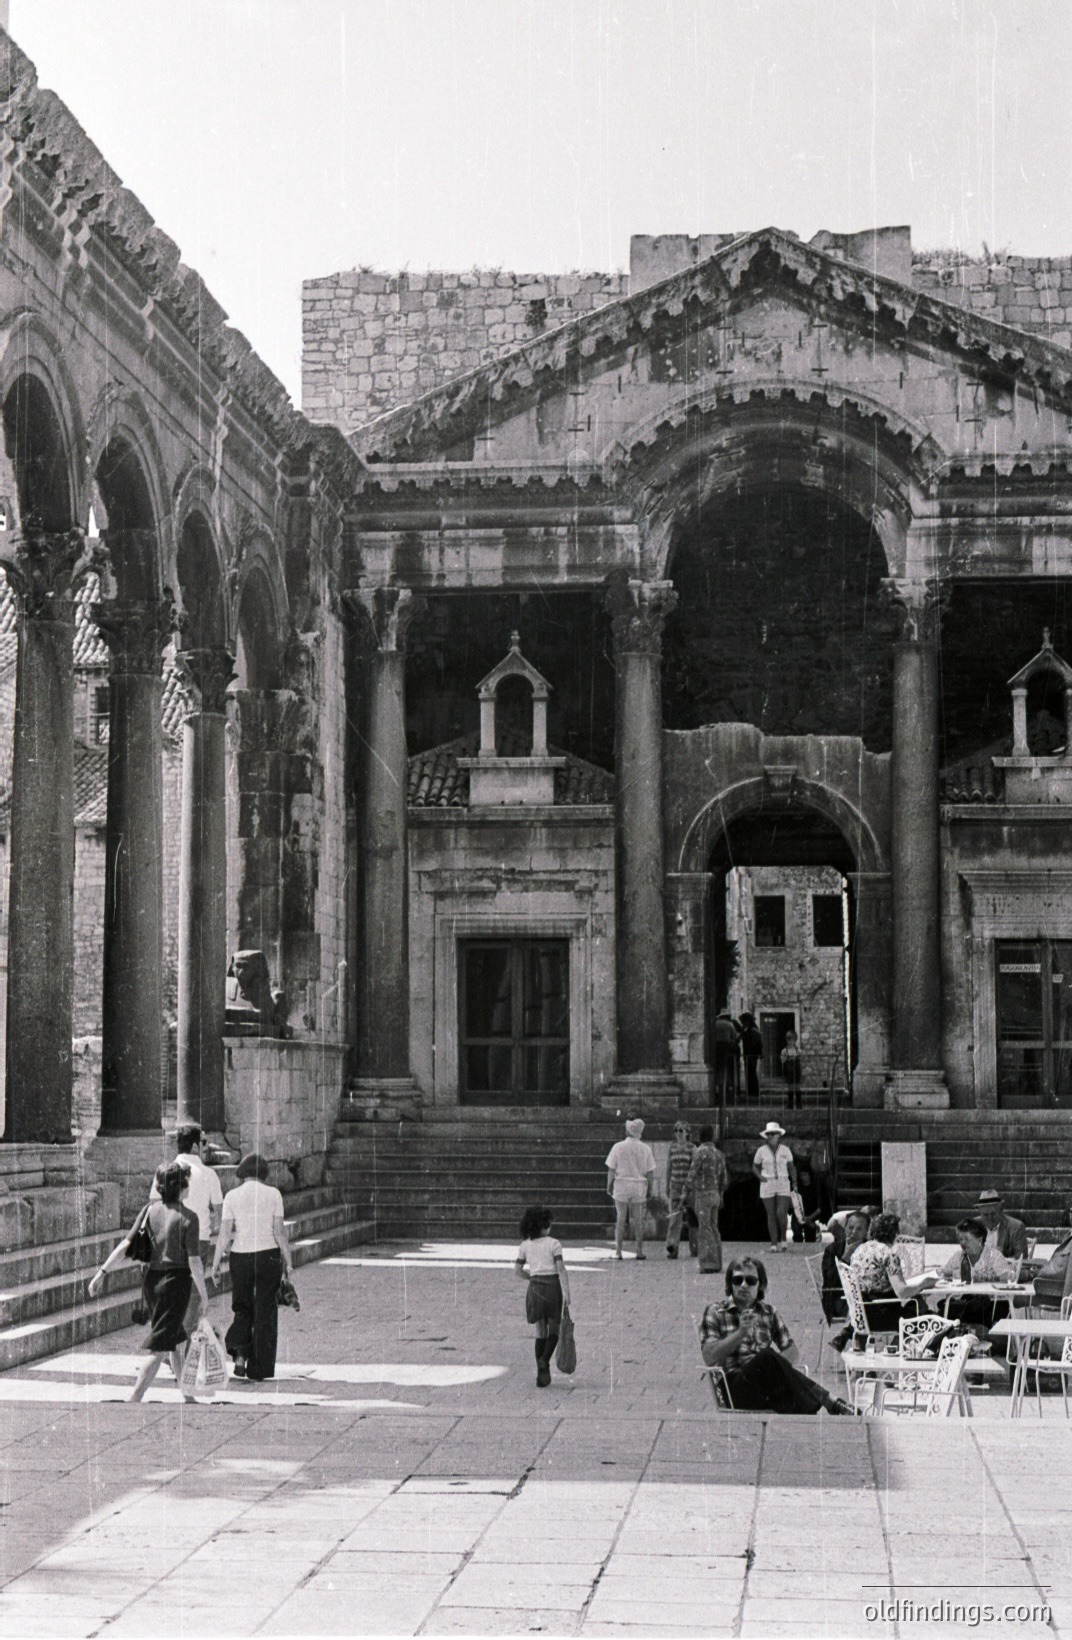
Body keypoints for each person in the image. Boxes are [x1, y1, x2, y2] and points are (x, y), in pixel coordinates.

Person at [88, 1162, 209, 1403]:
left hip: (152, 1281)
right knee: (161, 1346)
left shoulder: (148, 1211)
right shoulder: (189, 1218)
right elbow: (194, 1262)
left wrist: (102, 1272)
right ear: (181, 1186)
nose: (188, 1186)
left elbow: (125, 1245)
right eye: (186, 1182)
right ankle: (135, 1397)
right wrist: (204, 1294)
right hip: (176, 1282)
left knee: (175, 1337)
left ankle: (187, 1395)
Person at [699, 1256, 853, 1415]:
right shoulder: (715, 1312)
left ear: (760, 1285)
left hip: (766, 1386)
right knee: (766, 1357)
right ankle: (829, 1401)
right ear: (730, 1284)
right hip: (735, 1387)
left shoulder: (768, 1312)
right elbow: (709, 1356)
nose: (743, 1285)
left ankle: (816, 1411)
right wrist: (740, 1334)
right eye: (738, 1280)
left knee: (774, 1371)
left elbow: (792, 1351)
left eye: (750, 1281)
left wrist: (775, 1368)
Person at [211, 1153, 294, 1381]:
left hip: (241, 1256)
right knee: (265, 1311)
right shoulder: (273, 1194)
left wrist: (216, 1262)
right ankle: (260, 1369)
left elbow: (225, 1234)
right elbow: (279, 1231)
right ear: (263, 1173)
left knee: (242, 1306)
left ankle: (239, 1350)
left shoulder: (231, 1196)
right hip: (268, 1256)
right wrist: (288, 1260)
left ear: (242, 1173)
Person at [150, 1122, 224, 1323]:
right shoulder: (209, 1175)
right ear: (194, 1146)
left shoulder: (165, 1171)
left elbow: (154, 1205)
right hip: (198, 1239)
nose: (206, 1146)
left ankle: (174, 1347)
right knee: (191, 1300)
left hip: (168, 1241)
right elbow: (220, 1213)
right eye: (203, 1142)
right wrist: (215, 1231)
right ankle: (182, 1343)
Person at [515, 1204, 572, 1387]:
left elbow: (517, 1270)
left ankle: (541, 1373)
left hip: (535, 1289)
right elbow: (561, 1269)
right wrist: (567, 1292)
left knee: (540, 1331)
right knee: (554, 1330)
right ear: (545, 1225)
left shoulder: (525, 1245)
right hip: (552, 1289)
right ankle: (544, 1361)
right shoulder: (554, 1244)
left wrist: (531, 1277)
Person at [850, 1210, 936, 1330]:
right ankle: (901, 1346)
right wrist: (923, 1284)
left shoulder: (860, 1250)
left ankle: (897, 1346)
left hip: (861, 1315)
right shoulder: (889, 1254)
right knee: (929, 1318)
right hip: (882, 1315)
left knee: (916, 1304)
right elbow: (901, 1291)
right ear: (895, 1233)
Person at [937, 1215, 1018, 1338]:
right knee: (945, 1306)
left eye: (966, 1239)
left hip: (991, 1304)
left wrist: (989, 1278)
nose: (962, 1243)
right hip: (969, 1303)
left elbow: (1008, 1277)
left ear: (979, 1240)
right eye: (960, 1239)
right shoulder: (959, 1257)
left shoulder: (993, 1256)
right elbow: (942, 1272)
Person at [605, 1117, 656, 1260]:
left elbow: (611, 1169)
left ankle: (618, 1251)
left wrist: (609, 1185)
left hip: (622, 1184)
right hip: (639, 1185)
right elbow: (650, 1171)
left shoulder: (617, 1146)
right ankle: (639, 1251)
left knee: (621, 1218)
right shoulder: (646, 1148)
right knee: (638, 1219)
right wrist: (650, 1189)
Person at [684, 1124, 728, 1273]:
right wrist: (721, 1195)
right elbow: (724, 1179)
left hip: (703, 1194)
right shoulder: (719, 1154)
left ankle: (707, 1263)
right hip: (715, 1193)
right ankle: (717, 1262)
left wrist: (685, 1190)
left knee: (704, 1229)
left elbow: (692, 1173)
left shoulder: (700, 1152)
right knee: (714, 1227)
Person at [752, 1121, 796, 1251]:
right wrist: (760, 1177)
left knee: (781, 1212)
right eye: (769, 1134)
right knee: (770, 1214)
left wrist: (795, 1183)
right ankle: (773, 1243)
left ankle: (783, 1238)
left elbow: (791, 1167)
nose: (771, 1136)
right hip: (768, 1182)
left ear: (778, 1135)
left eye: (773, 1134)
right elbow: (754, 1166)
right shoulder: (761, 1151)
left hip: (782, 1181)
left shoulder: (785, 1150)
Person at [664, 1121, 698, 1259]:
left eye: (681, 1131)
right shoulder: (671, 1148)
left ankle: (695, 1248)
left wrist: (690, 1185)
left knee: (693, 1219)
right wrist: (667, 1185)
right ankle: (673, 1248)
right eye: (676, 1130)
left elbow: (694, 1168)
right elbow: (669, 1168)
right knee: (674, 1218)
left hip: (689, 1188)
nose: (678, 1133)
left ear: (687, 1133)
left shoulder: (692, 1148)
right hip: (676, 1186)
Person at [974, 1190, 1028, 1260]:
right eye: (985, 1215)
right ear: (980, 1213)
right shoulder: (974, 1224)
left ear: (1001, 1210)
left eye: (993, 1214)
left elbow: (1022, 1258)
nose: (990, 1218)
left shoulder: (1016, 1227)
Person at [713, 1012, 740, 1105]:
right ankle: (728, 1089)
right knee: (728, 1069)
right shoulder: (729, 1024)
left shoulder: (714, 1024)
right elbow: (736, 1037)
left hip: (716, 1048)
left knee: (717, 1069)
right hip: (727, 1048)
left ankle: (717, 1089)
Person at [739, 1013, 763, 1101]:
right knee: (750, 1072)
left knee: (751, 1072)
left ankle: (753, 1091)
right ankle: (751, 1091)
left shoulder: (752, 1030)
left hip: (751, 1054)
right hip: (749, 1054)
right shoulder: (750, 1029)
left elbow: (754, 1043)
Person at [780, 1027, 803, 1111]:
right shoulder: (784, 1051)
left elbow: (801, 1059)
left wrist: (796, 1057)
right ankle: (790, 1104)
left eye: (792, 1040)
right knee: (790, 1087)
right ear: (787, 1040)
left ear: (795, 1040)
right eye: (789, 1040)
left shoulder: (798, 1050)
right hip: (789, 1070)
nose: (790, 1042)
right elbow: (782, 1061)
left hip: (796, 1070)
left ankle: (799, 1104)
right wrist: (787, 1058)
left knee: (797, 1087)